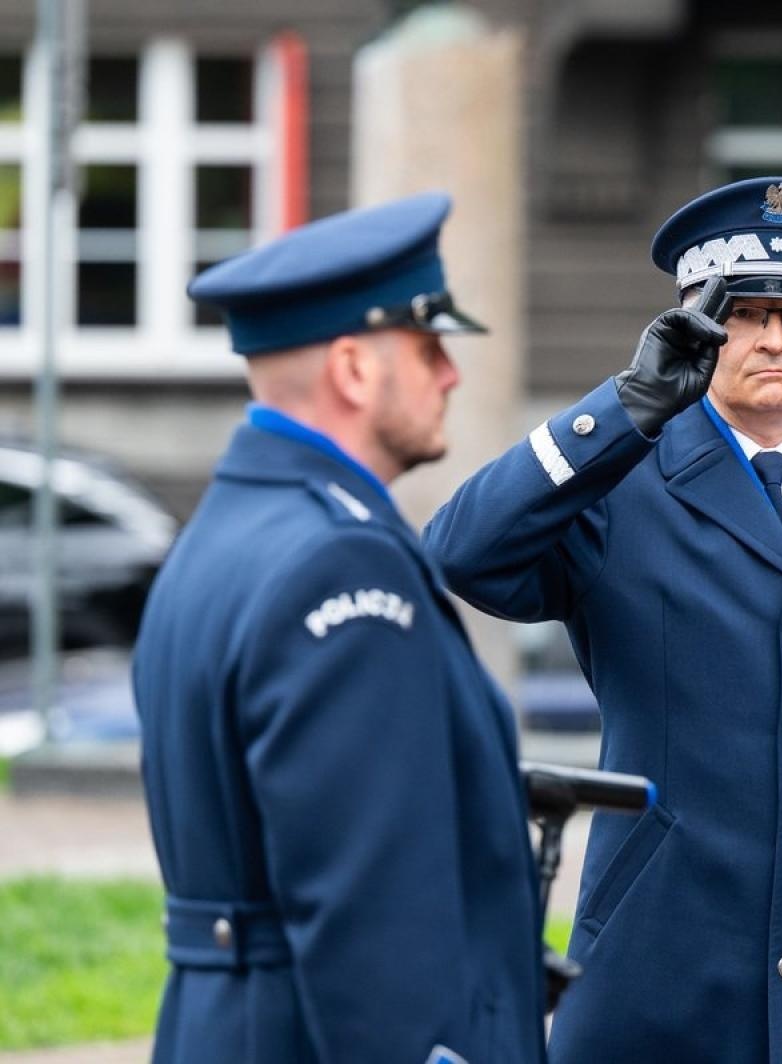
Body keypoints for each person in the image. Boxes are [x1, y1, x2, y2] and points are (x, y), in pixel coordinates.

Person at [423, 177, 782, 1062]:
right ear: (695, 324)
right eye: (744, 313)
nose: (774, 338)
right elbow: (461, 553)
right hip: (658, 967)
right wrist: (623, 408)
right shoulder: (616, 481)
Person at [133, 193, 546, 1063]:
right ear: (355, 369)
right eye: (429, 344)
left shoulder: (224, 532)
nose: (451, 374)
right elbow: (373, 920)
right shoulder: (343, 566)